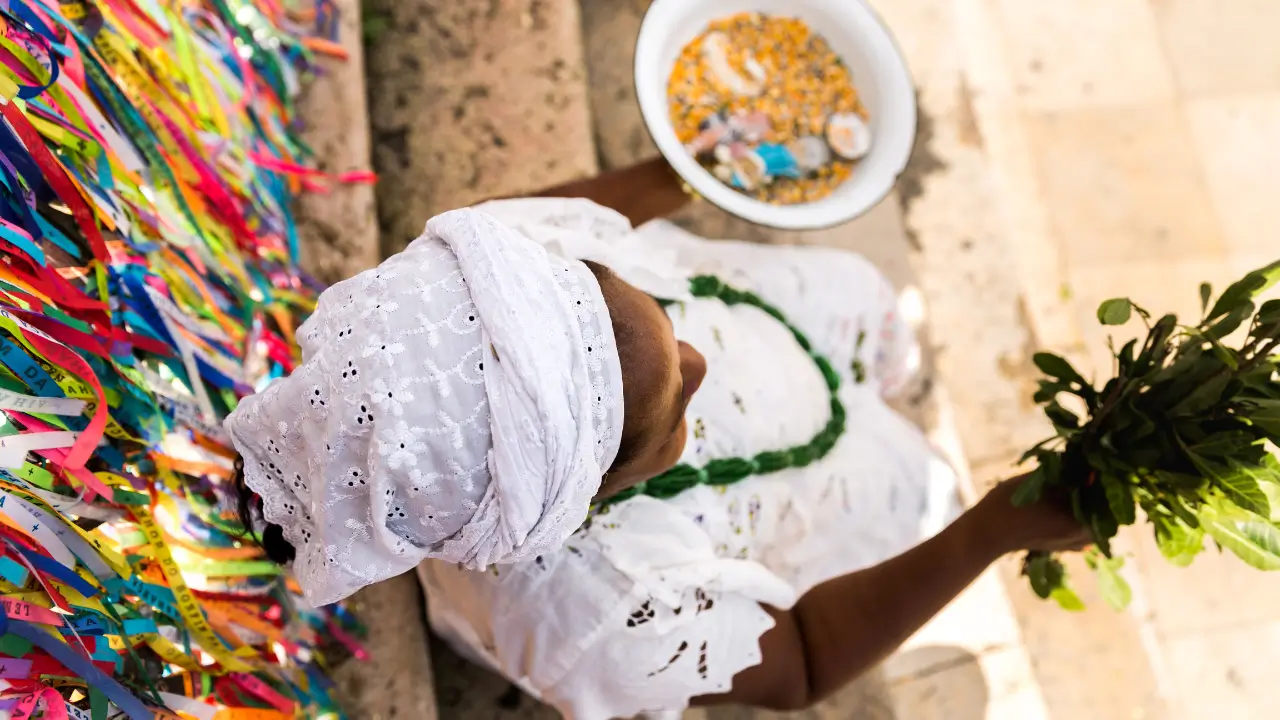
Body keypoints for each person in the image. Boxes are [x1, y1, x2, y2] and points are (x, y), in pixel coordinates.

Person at [232, 158, 1088, 715]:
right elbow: (805, 658)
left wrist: (691, 165)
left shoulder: (500, 277)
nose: (697, 358)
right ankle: (903, 449)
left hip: (766, 327)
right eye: (671, 410)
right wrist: (987, 532)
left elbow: (582, 213)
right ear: (585, 497)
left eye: (625, 298)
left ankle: (878, 373)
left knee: (852, 296)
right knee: (909, 486)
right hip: (763, 508)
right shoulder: (603, 607)